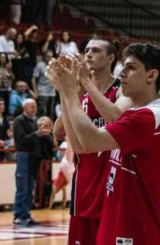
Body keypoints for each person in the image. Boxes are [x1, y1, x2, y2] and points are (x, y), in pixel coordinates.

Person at [48, 43, 160, 245]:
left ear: (151, 76)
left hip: (134, 229)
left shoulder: (149, 118)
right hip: (113, 217)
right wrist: (66, 91)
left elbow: (89, 141)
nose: (122, 72)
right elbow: (80, 147)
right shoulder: (137, 115)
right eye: (123, 66)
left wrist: (71, 90)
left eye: (131, 67)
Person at [53, 38, 132, 245]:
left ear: (111, 58)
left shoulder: (121, 90)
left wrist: (85, 82)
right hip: (84, 187)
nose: (88, 54)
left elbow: (116, 117)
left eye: (95, 51)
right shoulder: (80, 93)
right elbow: (58, 132)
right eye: (86, 50)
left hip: (112, 185)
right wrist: (69, 90)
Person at [13, 98, 50, 226]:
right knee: (22, 186)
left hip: (33, 156)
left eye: (35, 107)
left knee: (30, 187)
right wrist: (37, 134)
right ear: (24, 108)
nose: (34, 109)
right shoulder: (19, 121)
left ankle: (26, 214)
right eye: (31, 107)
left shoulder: (34, 121)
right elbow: (21, 140)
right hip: (23, 155)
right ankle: (18, 215)